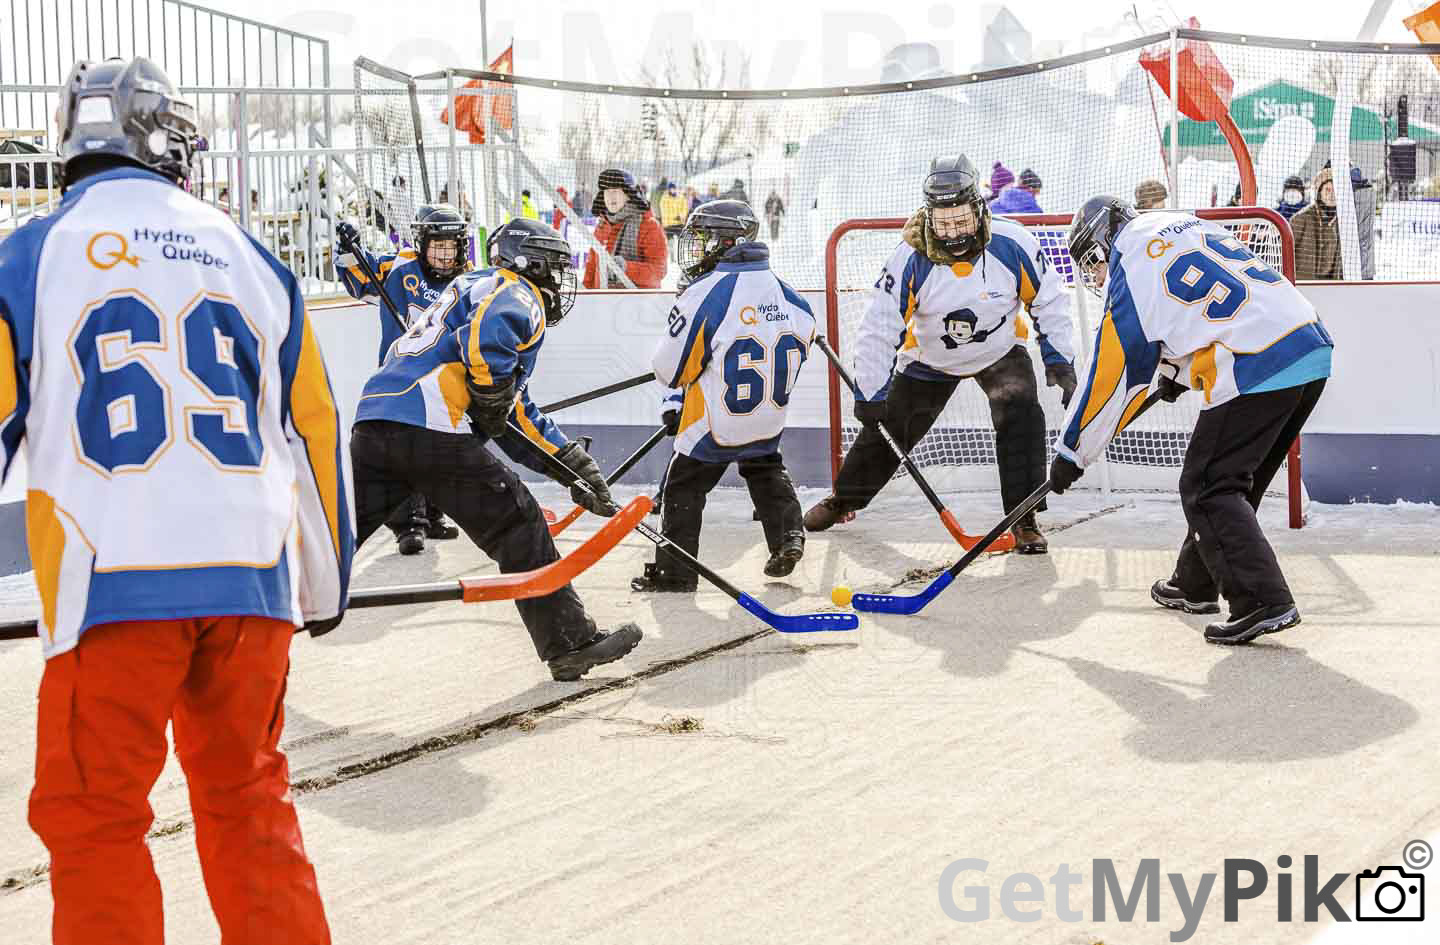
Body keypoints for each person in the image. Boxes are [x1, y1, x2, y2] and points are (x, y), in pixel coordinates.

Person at [6, 56, 350, 944]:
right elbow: (312, 427)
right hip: (251, 577)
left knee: (95, 817)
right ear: (165, 138)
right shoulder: (250, 253)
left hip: (111, 572)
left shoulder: (31, 253)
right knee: (248, 799)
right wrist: (322, 587)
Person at [351, 218, 643, 680]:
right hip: (430, 428)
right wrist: (490, 393)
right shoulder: (515, 290)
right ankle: (569, 643)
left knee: (337, 538)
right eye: (555, 267)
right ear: (532, 262)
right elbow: (489, 348)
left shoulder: (468, 286)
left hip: (374, 422)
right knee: (518, 522)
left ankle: (249, 620)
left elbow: (512, 413)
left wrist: (572, 467)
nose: (559, 280)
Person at [1050, 196, 1333, 644]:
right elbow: (1199, 305)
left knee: (1208, 486)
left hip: (1257, 361)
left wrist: (1071, 451)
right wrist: (1175, 374)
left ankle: (1262, 600)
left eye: (1092, 264)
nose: (1096, 276)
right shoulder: (1174, 224)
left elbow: (1109, 376)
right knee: (1236, 480)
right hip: (1306, 341)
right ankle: (1194, 582)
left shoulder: (1128, 265)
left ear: (1102, 244)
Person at [803, 155, 1078, 553]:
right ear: (930, 216)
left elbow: (1050, 301)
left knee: (1022, 415)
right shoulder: (908, 258)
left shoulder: (1013, 243)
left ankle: (1024, 518)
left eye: (961, 221)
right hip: (930, 359)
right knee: (888, 428)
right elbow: (880, 327)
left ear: (978, 208)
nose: (953, 232)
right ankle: (845, 499)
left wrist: (1059, 358)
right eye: (944, 223)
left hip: (998, 351)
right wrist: (870, 393)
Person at [631, 200, 815, 591]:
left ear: (726, 241)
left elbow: (670, 369)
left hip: (715, 418)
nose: (695, 249)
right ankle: (788, 535)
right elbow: (806, 331)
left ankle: (674, 574)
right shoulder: (786, 291)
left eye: (701, 240)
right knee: (764, 466)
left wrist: (687, 389)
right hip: (767, 413)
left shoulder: (707, 292)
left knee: (683, 486)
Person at [335, 204, 468, 554]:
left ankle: (435, 514)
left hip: (444, 381)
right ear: (423, 244)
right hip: (400, 380)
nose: (444, 254)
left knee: (438, 449)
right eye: (437, 245)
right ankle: (408, 523)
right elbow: (355, 273)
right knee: (404, 451)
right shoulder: (400, 268)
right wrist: (347, 248)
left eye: (451, 246)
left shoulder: (469, 278)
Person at [582, 167, 668, 289]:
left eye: (616, 191)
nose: (610, 196)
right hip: (601, 303)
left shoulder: (649, 226)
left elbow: (659, 271)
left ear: (629, 195)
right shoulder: (602, 226)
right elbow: (591, 267)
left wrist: (626, 268)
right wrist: (585, 297)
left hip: (638, 304)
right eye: (606, 191)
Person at [1290, 166, 1340, 280]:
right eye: (1328, 189)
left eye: (1335, 190)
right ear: (1319, 192)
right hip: (1304, 283)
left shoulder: (1343, 221)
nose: (1332, 194)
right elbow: (1285, 251)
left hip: (1331, 285)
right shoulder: (1302, 218)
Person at [658, 181, 689, 247]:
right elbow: (664, 211)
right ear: (668, 189)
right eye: (671, 188)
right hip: (668, 224)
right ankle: (672, 256)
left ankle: (678, 255)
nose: (673, 190)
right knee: (670, 244)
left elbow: (685, 208)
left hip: (679, 223)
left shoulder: (681, 197)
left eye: (674, 188)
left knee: (681, 243)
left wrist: (681, 216)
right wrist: (674, 216)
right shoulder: (664, 198)